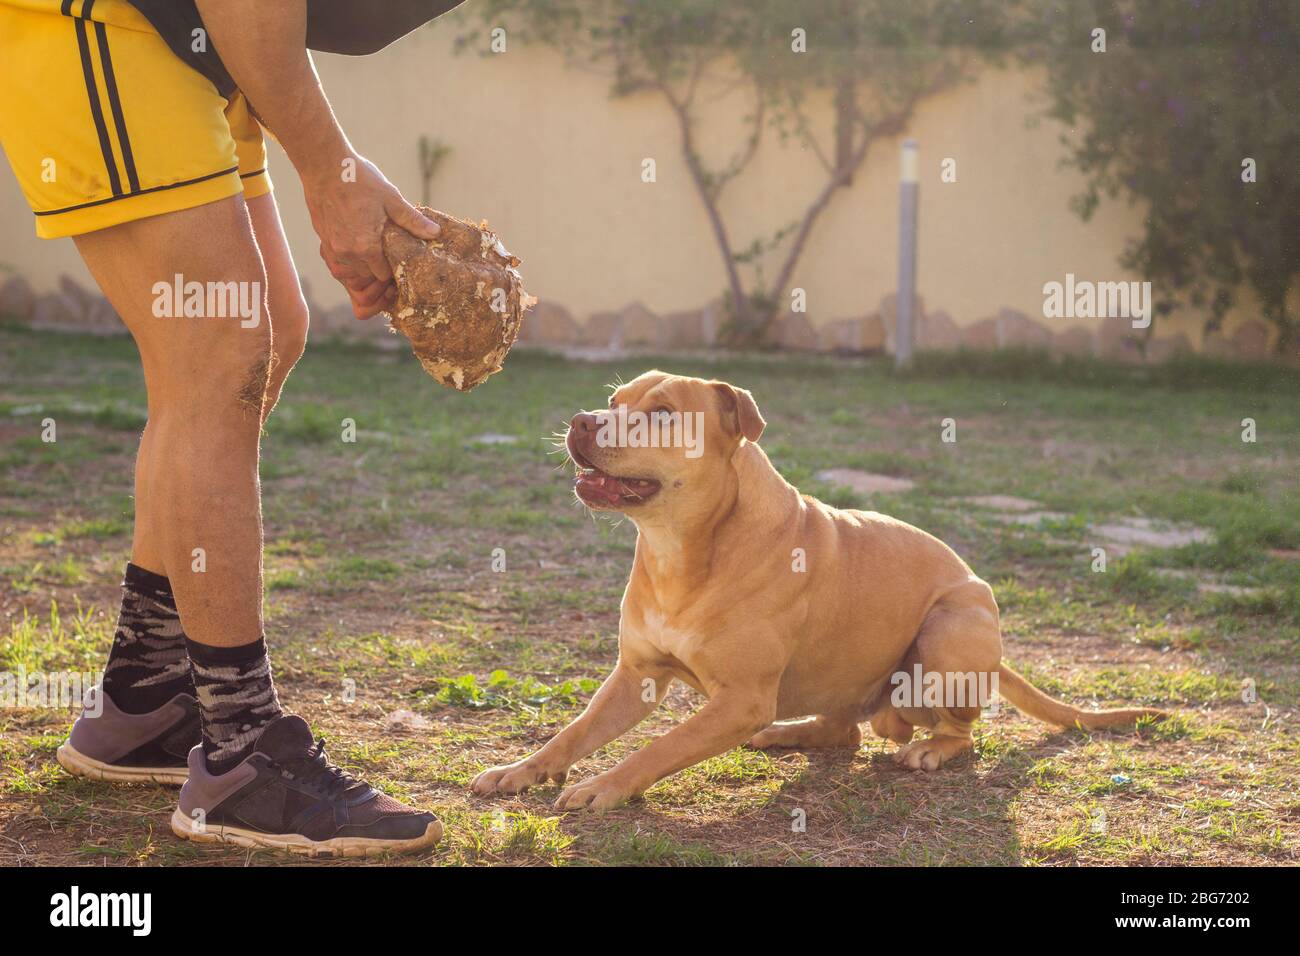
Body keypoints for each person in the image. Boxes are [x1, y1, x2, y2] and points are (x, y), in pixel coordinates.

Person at [0, 0, 463, 856]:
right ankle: (242, 753)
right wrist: (330, 172)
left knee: (266, 332)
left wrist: (342, 172)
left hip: (194, 42)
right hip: (101, 26)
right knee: (222, 346)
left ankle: (145, 697)